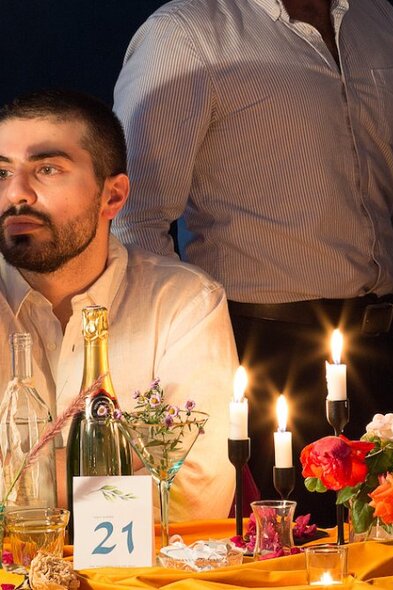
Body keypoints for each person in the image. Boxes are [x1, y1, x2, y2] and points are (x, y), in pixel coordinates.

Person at [111, 0, 393, 524]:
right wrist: (184, 369)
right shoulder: (187, 33)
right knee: (286, 564)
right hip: (262, 360)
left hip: (383, 358)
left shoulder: (378, 20)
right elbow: (135, 224)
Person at [0, 89, 236, 521]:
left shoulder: (182, 304)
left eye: (47, 169)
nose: (18, 193)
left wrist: (22, 485)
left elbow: (195, 495)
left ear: (112, 196)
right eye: (1, 172)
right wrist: (112, 479)